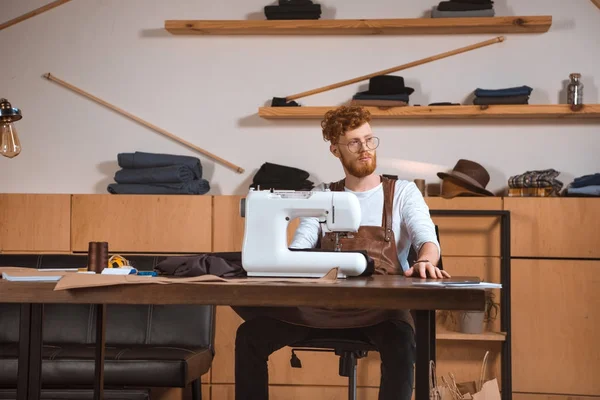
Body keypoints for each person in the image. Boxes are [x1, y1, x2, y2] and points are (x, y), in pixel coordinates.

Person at [234, 105, 450, 400]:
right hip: (321, 311)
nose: (365, 149)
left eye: (369, 140)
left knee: (402, 340)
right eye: (354, 142)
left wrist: (426, 260)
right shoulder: (322, 195)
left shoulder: (402, 193)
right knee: (250, 336)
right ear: (335, 150)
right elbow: (300, 246)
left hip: (381, 313)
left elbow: (427, 240)